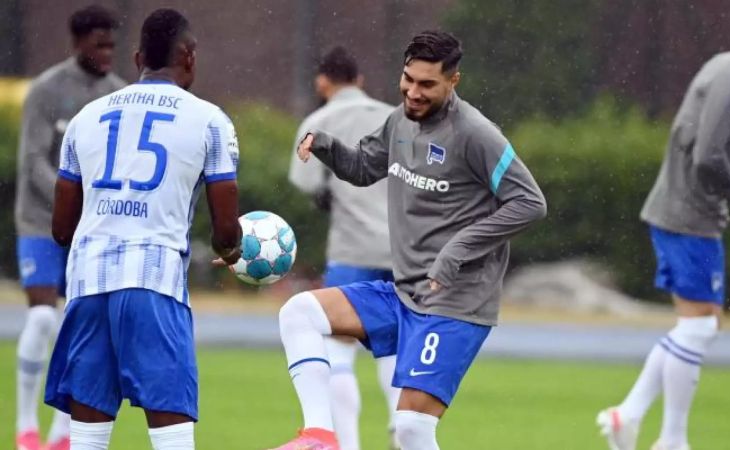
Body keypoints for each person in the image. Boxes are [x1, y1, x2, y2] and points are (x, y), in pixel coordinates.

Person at [272, 30, 546, 450]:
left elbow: (530, 202)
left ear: (453, 80)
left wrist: (457, 250)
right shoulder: (400, 121)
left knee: (412, 428)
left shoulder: (475, 133)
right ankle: (321, 437)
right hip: (404, 293)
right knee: (299, 313)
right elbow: (363, 167)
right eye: (408, 79)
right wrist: (325, 145)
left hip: (456, 305)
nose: (413, 93)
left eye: (427, 84)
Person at [596, 6, 730, 450]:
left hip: (684, 214)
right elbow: (708, 158)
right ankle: (669, 438)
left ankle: (632, 417)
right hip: (689, 217)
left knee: (701, 325)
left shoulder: (725, 65)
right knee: (697, 329)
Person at [42, 9, 242, 450]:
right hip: (153, 281)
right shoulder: (210, 120)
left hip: (88, 284)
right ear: (189, 56)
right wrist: (232, 252)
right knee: (171, 435)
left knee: (87, 439)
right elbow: (226, 229)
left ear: (137, 59)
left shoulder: (86, 117)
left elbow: (61, 229)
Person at [14, 5, 126, 450]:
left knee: (79, 325)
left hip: (89, 230)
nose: (107, 54)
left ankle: (62, 432)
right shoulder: (47, 90)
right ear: (77, 42)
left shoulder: (118, 95)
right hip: (41, 221)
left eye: (112, 46)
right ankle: (26, 426)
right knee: (43, 316)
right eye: (99, 45)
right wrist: (74, 201)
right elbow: (32, 161)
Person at [287, 46, 401, 450]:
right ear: (360, 80)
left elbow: (306, 182)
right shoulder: (394, 116)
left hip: (351, 250)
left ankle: (346, 443)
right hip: (400, 250)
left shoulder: (318, 121)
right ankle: (400, 428)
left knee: (338, 351)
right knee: (395, 348)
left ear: (322, 81)